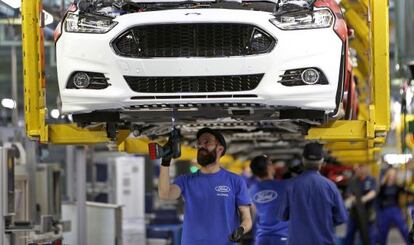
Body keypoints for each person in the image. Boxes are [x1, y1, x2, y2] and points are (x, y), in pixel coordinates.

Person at [158, 127, 252, 245]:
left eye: (207, 142)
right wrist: (165, 162)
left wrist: (241, 229)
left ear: (220, 149)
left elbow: (247, 218)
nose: (202, 146)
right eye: (199, 144)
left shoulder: (235, 181)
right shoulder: (186, 180)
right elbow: (165, 194)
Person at [277, 142, 348, 245]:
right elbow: (341, 218)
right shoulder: (330, 186)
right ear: (322, 161)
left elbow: (282, 216)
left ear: (303, 160)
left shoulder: (291, 186)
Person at [249, 155, 289, 245]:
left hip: (261, 238)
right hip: (282, 237)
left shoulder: (251, 190)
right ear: (269, 167)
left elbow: (253, 215)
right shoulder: (285, 186)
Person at [344, 164, 377, 245]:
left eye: (359, 168)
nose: (357, 171)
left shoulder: (371, 180)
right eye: (356, 169)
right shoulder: (353, 181)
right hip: (354, 213)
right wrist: (351, 199)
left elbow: (373, 192)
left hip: (366, 213)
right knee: (349, 234)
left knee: (366, 235)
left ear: (364, 169)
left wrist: (363, 199)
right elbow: (349, 194)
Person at [377, 168, 411, 245]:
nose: (392, 177)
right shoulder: (383, 187)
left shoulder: (397, 186)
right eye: (391, 175)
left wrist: (406, 188)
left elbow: (406, 191)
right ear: (388, 176)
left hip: (395, 209)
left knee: (403, 229)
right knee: (383, 232)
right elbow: (378, 199)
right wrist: (379, 212)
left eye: (394, 175)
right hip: (384, 211)